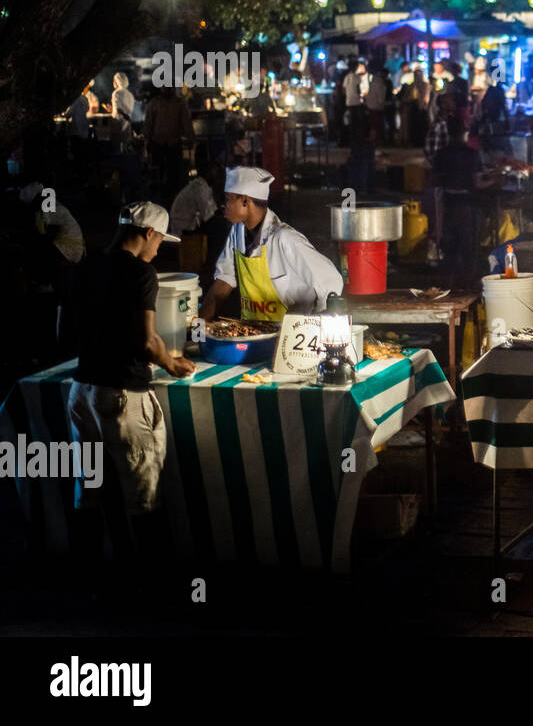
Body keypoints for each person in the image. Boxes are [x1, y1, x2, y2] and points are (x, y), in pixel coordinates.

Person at [64, 202, 194, 557]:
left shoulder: (83, 268)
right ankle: (153, 588)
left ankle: (93, 583)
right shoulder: (140, 274)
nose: (157, 250)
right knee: (143, 497)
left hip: (80, 393)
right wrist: (171, 362)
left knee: (89, 492)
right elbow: (149, 341)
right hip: (122, 395)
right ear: (148, 233)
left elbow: (65, 332)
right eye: (159, 242)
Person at [197, 167, 343, 322]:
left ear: (245, 201)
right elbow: (223, 281)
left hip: (287, 337)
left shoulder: (284, 238)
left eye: (228, 199)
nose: (223, 205)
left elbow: (331, 281)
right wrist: (198, 327)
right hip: (252, 331)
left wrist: (314, 324)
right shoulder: (237, 231)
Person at [435, 118, 501, 289]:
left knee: (450, 248)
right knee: (469, 249)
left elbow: (435, 179)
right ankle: (467, 287)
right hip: (467, 206)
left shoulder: (442, 153)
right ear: (465, 132)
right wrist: (496, 179)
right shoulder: (471, 154)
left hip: (448, 204)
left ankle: (448, 286)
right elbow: (478, 184)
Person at [143, 82, 194, 202]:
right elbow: (148, 123)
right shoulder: (154, 103)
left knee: (174, 174)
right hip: (158, 143)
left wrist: (190, 138)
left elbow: (186, 122)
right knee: (158, 173)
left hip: (173, 143)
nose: (167, 89)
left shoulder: (179, 104)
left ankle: (171, 198)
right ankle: (160, 198)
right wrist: (146, 140)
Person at [422, 93, 457, 265]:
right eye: (449, 101)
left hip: (447, 177)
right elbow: (430, 151)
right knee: (438, 216)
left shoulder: (449, 122)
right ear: (443, 105)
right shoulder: (439, 125)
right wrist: (441, 169)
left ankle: (441, 252)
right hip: (440, 178)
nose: (453, 103)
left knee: (445, 216)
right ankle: (433, 254)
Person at [169, 163, 221, 235]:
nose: (217, 177)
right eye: (216, 173)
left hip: (188, 225)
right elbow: (208, 215)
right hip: (182, 228)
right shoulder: (199, 187)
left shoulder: (205, 187)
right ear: (208, 174)